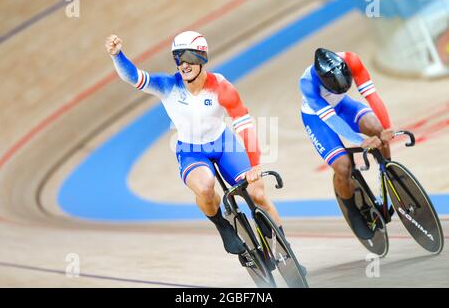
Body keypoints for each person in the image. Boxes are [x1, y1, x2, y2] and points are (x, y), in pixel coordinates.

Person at [105, 31, 283, 255]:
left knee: (257, 193)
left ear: (201, 58)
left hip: (223, 143)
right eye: (177, 58)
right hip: (191, 151)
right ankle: (221, 223)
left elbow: (244, 124)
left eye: (187, 57)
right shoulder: (167, 85)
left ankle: (283, 250)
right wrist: (117, 55)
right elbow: (134, 77)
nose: (183, 64)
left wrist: (255, 164)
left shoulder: (221, 87)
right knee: (206, 187)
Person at [299, 48, 394, 239]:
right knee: (343, 166)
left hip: (343, 105)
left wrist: (386, 127)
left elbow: (371, 95)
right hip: (319, 118)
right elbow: (331, 119)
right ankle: (352, 211)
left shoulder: (352, 59)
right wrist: (360, 140)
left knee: (377, 128)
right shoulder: (307, 82)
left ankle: (390, 176)